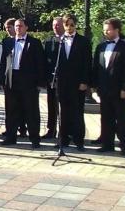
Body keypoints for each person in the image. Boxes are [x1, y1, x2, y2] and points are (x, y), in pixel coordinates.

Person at [92, 18, 125, 155]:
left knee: (121, 118)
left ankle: (124, 145)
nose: (105, 32)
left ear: (117, 30)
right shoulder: (101, 47)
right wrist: (94, 87)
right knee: (106, 118)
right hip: (104, 89)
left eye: (108, 29)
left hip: (119, 90)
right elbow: (96, 68)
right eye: (104, 29)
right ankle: (107, 144)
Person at [1, 18, 44, 148]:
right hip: (11, 81)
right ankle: (11, 137)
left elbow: (40, 64)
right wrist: (2, 80)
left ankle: (35, 139)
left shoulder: (35, 43)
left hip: (28, 82)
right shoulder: (7, 42)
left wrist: (40, 83)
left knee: (31, 111)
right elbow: (3, 62)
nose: (18, 28)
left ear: (26, 27)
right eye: (16, 26)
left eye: (20, 26)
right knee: (11, 111)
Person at [53, 14, 91, 151]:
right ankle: (63, 139)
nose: (69, 27)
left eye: (72, 25)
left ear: (75, 25)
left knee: (77, 112)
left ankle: (79, 140)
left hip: (77, 82)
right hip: (63, 82)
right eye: (66, 25)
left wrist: (84, 81)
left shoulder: (83, 41)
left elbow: (87, 63)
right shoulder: (60, 40)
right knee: (64, 112)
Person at [1, 18, 27, 138]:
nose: (8, 30)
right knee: (10, 106)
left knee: (23, 106)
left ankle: (22, 128)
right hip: (10, 78)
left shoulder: (30, 42)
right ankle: (10, 130)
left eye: (9, 28)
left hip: (24, 79)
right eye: (6, 28)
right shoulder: (6, 42)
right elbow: (3, 62)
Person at [42, 17, 63, 139]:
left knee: (64, 107)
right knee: (51, 105)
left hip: (65, 79)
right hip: (51, 79)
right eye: (54, 25)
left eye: (58, 25)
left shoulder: (67, 40)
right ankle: (51, 130)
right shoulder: (49, 40)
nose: (55, 27)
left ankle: (64, 131)